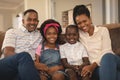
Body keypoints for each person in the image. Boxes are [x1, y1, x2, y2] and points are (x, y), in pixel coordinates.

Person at [73, 4, 120, 80]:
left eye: (85, 21)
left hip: (111, 60)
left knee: (107, 56)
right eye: (79, 23)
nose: (82, 25)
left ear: (90, 19)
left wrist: (92, 66)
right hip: (97, 69)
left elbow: (107, 51)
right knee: (116, 75)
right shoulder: (78, 34)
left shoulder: (102, 30)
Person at [0, 9, 42, 80]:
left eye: (35, 20)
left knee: (23, 73)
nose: (32, 22)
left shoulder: (40, 35)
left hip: (25, 69)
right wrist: (33, 64)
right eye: (29, 19)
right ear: (23, 21)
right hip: (7, 66)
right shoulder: (12, 32)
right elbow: (7, 53)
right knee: (24, 55)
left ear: (37, 22)